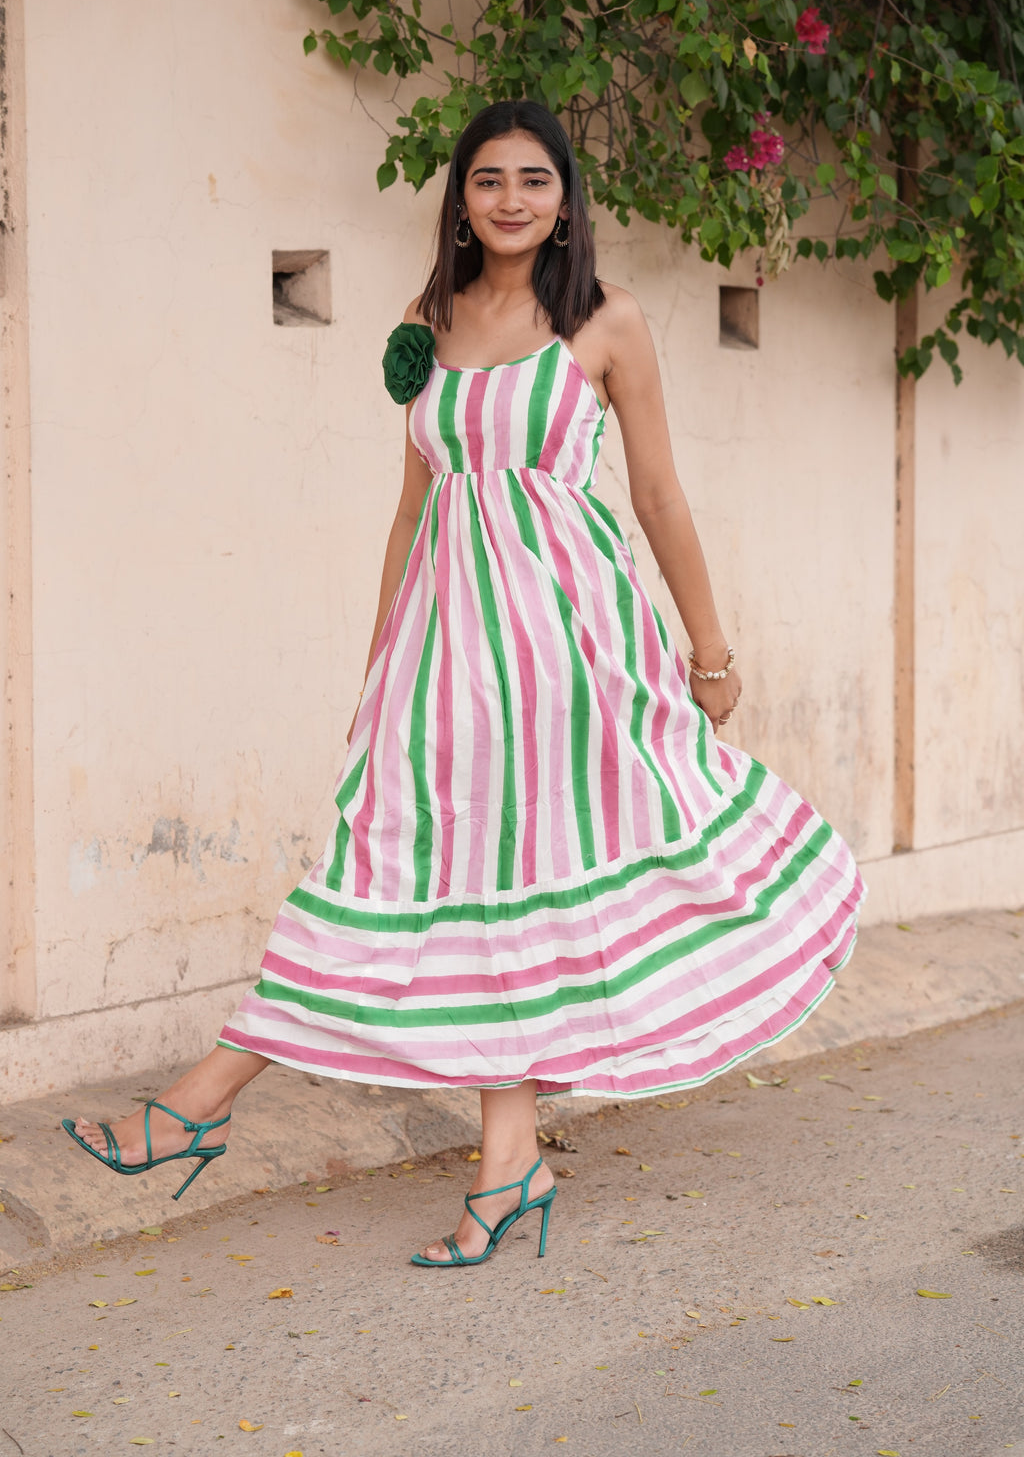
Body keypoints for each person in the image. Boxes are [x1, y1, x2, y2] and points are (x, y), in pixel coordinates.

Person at [66, 100, 863, 1268]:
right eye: (487, 180)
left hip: (569, 654)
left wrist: (709, 653)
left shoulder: (607, 322)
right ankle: (493, 1167)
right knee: (396, 874)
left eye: (532, 180)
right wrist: (380, 666)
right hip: (446, 661)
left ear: (564, 199)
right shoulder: (423, 322)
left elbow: (657, 500)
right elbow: (411, 507)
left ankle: (212, 1109)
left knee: (520, 891)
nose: (509, 199)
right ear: (461, 199)